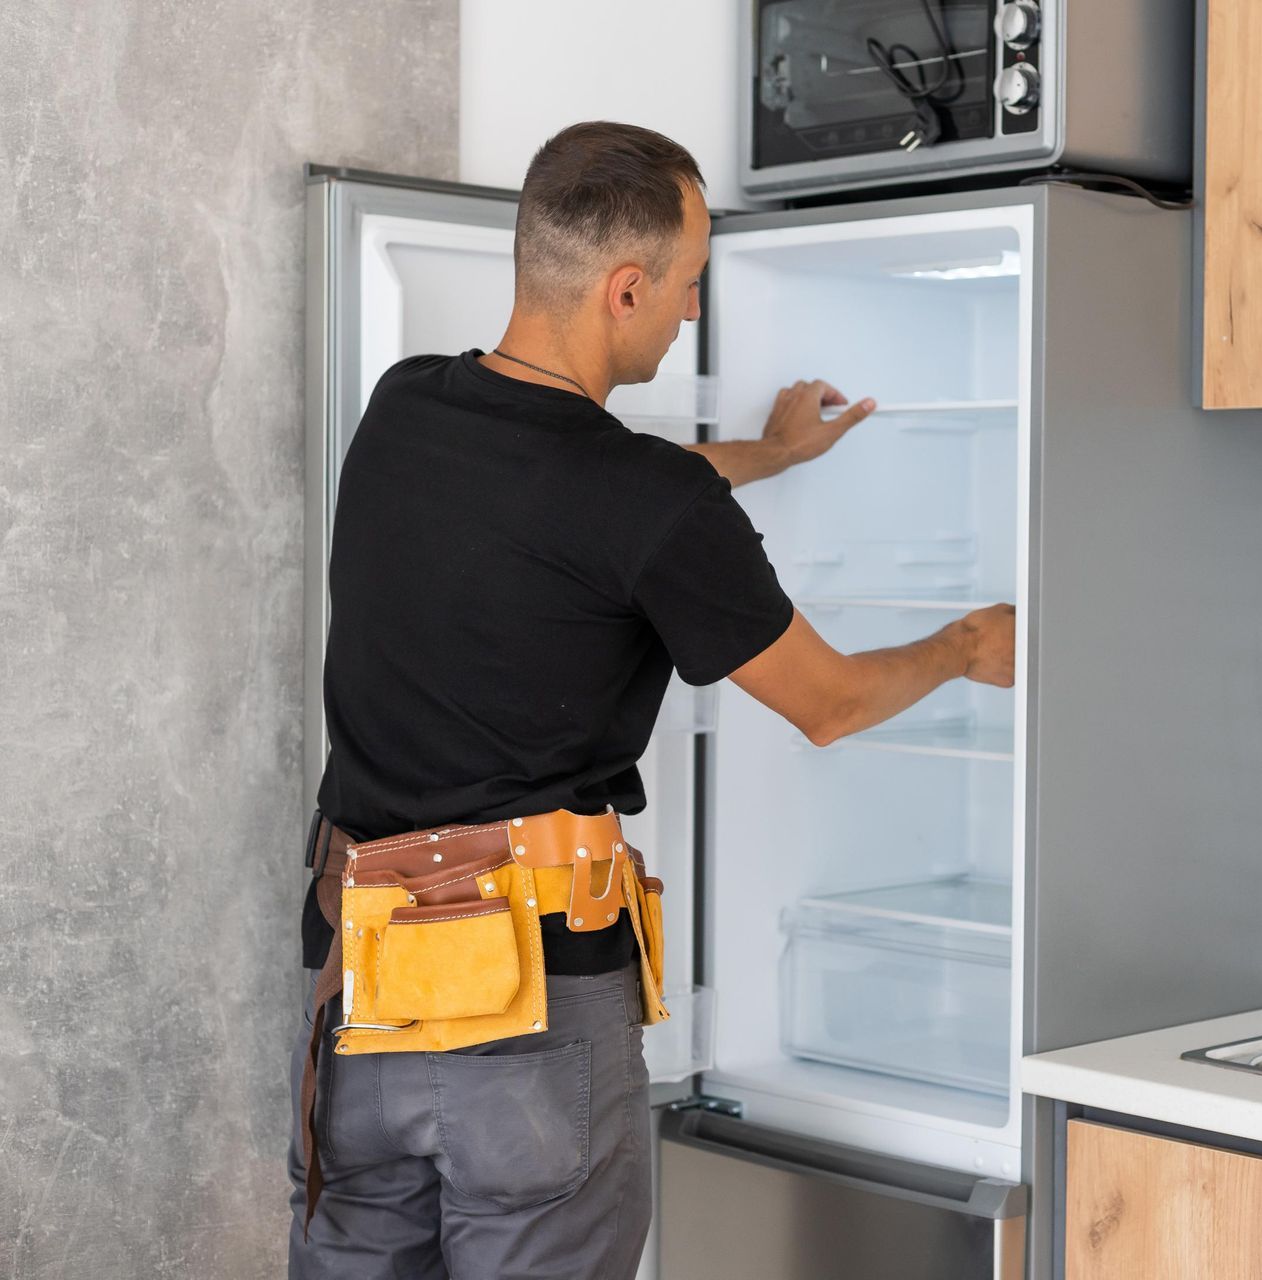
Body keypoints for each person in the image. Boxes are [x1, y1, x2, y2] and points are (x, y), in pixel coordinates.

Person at [287, 120, 1015, 1279]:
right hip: (530, 1025)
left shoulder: (407, 407)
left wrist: (767, 456)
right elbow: (827, 703)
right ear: (624, 288)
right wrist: (966, 641)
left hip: (361, 996)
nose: (689, 312)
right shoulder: (649, 504)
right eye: (686, 287)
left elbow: (588, 502)